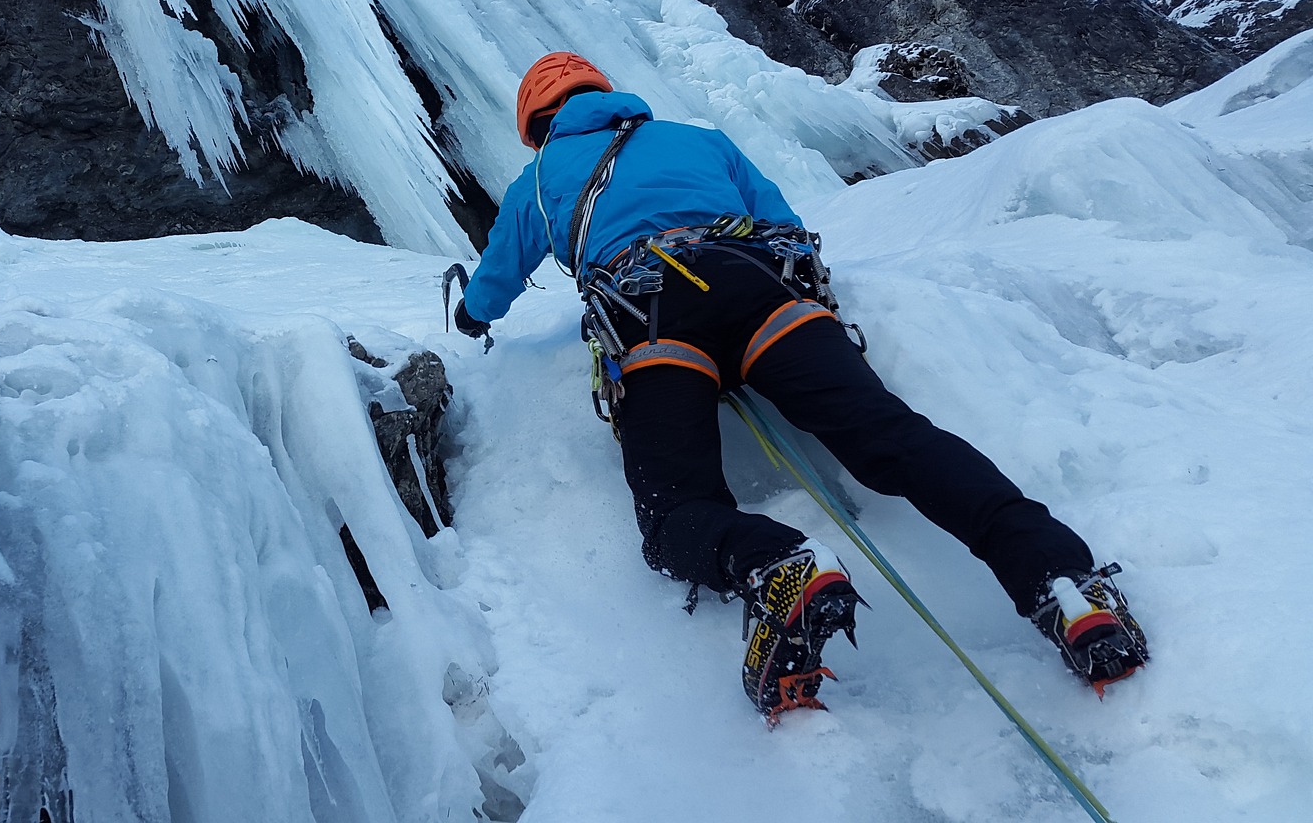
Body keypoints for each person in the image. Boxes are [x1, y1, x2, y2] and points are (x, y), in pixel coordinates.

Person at [452, 52, 1149, 720]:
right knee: (893, 439)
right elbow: (781, 220)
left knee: (674, 514)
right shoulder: (699, 140)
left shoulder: (540, 179)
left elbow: (498, 279)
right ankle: (1065, 581)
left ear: (538, 123)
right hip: (766, 294)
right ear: (607, 96)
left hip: (653, 317)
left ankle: (775, 565)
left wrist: (469, 314)